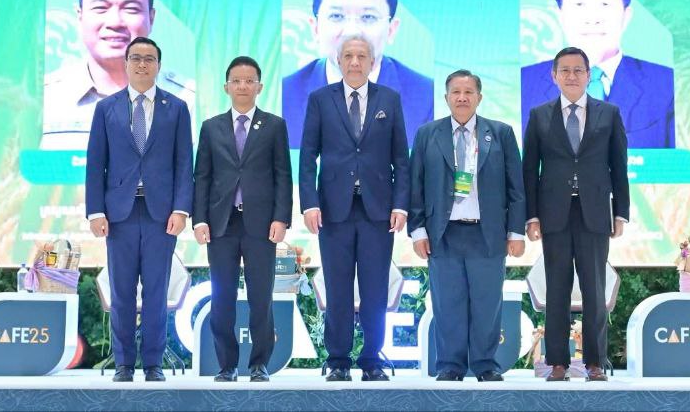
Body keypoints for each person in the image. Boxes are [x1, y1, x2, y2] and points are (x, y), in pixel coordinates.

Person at [298, 34, 409, 381]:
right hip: (334, 210)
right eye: (348, 56)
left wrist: (401, 205)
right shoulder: (320, 99)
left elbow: (401, 159)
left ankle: (372, 359)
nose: (355, 62)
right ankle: (338, 360)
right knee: (338, 286)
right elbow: (307, 157)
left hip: (378, 210)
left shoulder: (389, 99)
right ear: (339, 61)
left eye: (362, 56)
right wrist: (309, 204)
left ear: (373, 62)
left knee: (375, 288)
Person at [85, 36, 193, 383]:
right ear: (126, 63)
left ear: (158, 65)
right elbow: (95, 163)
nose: (142, 64)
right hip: (120, 214)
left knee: (157, 291)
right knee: (122, 291)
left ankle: (153, 363)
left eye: (149, 58)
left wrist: (182, 209)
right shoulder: (106, 108)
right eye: (136, 58)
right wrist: (95, 211)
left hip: (162, 214)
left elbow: (183, 164)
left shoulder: (177, 108)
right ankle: (123, 364)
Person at [409, 70, 525, 382]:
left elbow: (516, 187)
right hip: (443, 233)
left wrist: (516, 232)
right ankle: (450, 365)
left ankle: (485, 364)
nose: (462, 98)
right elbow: (415, 185)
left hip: (487, 233)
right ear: (446, 97)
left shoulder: (500, 133)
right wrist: (417, 231)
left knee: (488, 303)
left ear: (479, 97)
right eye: (456, 92)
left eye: (468, 92)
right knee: (447, 303)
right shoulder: (427, 134)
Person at [523, 46, 629, 382]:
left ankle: (595, 363)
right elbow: (530, 171)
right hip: (553, 213)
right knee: (556, 288)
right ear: (554, 76)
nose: (571, 76)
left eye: (578, 70)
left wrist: (621, 213)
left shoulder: (608, 113)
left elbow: (619, 166)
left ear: (588, 75)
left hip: (594, 213)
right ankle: (558, 362)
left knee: (595, 289)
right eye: (565, 70)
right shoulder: (539, 115)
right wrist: (531, 216)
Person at [192, 56, 292, 383]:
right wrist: (199, 219)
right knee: (222, 297)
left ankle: (259, 364)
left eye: (250, 81)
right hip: (221, 224)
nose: (243, 86)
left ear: (260, 87)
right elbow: (202, 177)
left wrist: (281, 218)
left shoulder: (274, 125)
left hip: (261, 224)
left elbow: (282, 175)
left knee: (260, 297)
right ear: (226, 87)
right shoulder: (211, 127)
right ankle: (226, 365)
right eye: (237, 80)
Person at [520, 0, 674, 148]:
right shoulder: (524, 82)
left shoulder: (666, 84)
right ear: (560, 14)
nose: (592, 18)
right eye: (579, 4)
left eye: (605, 4)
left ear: (626, 15)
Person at [43, 0, 194, 149]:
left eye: (131, 9)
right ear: (79, 16)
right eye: (100, 8)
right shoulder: (44, 99)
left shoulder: (190, 101)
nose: (114, 22)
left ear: (151, 18)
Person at [282, 0, 432, 149]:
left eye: (368, 17)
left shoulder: (427, 99)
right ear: (316, 28)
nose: (352, 31)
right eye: (337, 16)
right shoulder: (284, 96)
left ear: (391, 30)